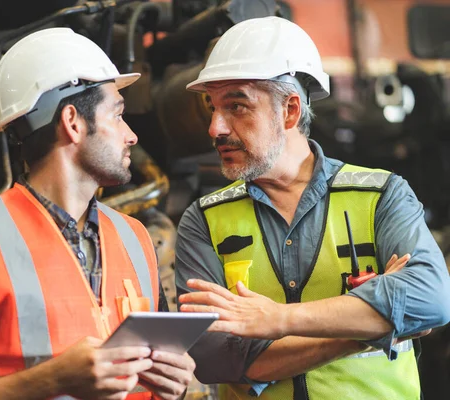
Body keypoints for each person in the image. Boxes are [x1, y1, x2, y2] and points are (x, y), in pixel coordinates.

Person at [0, 28, 195, 400]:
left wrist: (175, 386)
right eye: (118, 115)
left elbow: (159, 371)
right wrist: (51, 382)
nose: (132, 135)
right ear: (73, 122)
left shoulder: (137, 238)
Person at [174, 16, 450, 399]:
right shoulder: (203, 220)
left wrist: (277, 320)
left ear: (289, 111)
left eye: (237, 106)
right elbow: (215, 358)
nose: (215, 128)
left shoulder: (380, 195)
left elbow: (431, 298)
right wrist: (369, 329)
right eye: (212, 107)